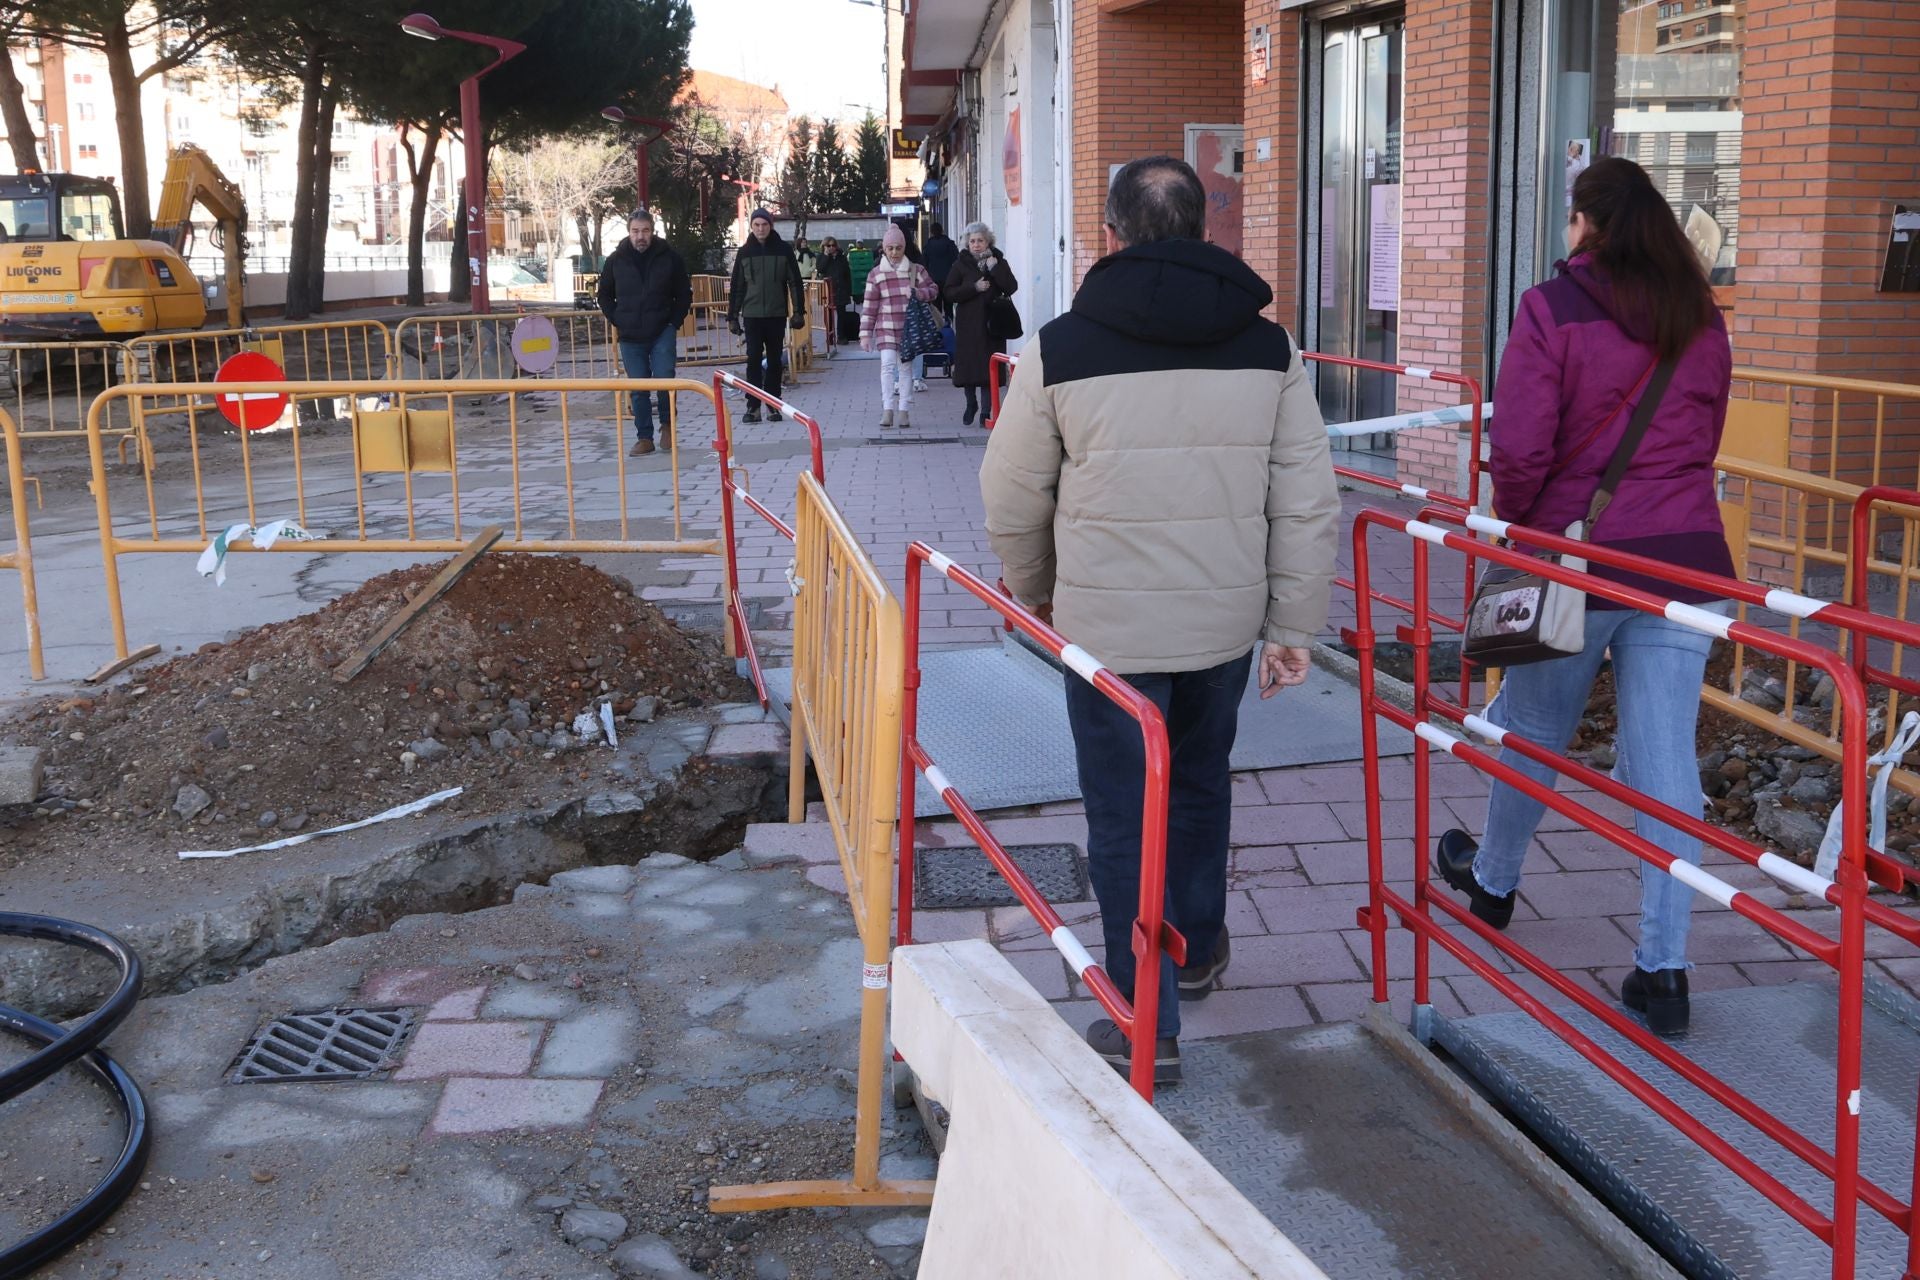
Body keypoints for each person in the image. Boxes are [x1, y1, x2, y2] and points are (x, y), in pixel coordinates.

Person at [979, 157, 1340, 1083]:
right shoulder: (1270, 348)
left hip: (1108, 631)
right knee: (1200, 784)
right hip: (1223, 624)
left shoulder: (1062, 346)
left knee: (1120, 808)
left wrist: (1037, 590)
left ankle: (1149, 1017)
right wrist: (1292, 625)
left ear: (1110, 233)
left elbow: (1012, 492)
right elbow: (1305, 499)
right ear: (1204, 229)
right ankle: (1204, 945)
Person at [1435, 155, 1734, 1039]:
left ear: (1587, 225)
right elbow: (1703, 436)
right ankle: (1664, 968)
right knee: (1666, 766)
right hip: (1684, 560)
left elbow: (1520, 445)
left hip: (1574, 552)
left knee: (1534, 727)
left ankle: (1492, 884)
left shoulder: (1551, 307)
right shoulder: (1698, 316)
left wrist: (1528, 529)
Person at [596, 208, 691, 457]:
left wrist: (673, 323)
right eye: (636, 231)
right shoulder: (616, 260)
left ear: (653, 231)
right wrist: (617, 319)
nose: (641, 236)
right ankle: (644, 437)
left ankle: (667, 425)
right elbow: (604, 295)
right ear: (629, 233)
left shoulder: (670, 258)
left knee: (664, 380)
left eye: (645, 231)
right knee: (638, 387)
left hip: (662, 331)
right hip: (630, 336)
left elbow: (684, 295)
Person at [727, 208, 806, 423]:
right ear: (751, 227)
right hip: (752, 315)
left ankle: (773, 405)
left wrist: (799, 311)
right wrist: (732, 316)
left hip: (776, 314)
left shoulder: (783, 250)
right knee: (753, 359)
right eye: (756, 225)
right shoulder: (744, 252)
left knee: (774, 360)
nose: (760, 229)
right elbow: (737, 286)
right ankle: (753, 406)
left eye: (764, 224)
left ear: (770, 226)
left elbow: (795, 282)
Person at [859, 224, 938, 429]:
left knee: (905, 369)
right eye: (890, 248)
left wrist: (920, 294)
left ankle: (904, 410)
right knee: (886, 367)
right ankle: (887, 409)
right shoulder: (876, 274)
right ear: (884, 249)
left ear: (904, 248)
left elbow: (934, 289)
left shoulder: (916, 270)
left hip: (909, 329)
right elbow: (869, 307)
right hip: (885, 328)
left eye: (898, 247)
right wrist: (865, 334)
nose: (894, 252)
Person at [943, 222, 1018, 428]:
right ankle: (971, 404)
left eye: (981, 241)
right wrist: (973, 287)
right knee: (968, 369)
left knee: (988, 371)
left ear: (988, 242)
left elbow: (1011, 287)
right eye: (973, 241)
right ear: (967, 243)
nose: (976, 245)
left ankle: (986, 411)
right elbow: (949, 292)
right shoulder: (960, 264)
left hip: (992, 325)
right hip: (968, 325)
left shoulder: (998, 261)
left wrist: (995, 269)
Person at [922, 221, 960, 299]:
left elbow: (924, 263)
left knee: (936, 306)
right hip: (948, 278)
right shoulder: (949, 244)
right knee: (948, 306)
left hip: (933, 279)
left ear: (931, 232)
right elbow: (956, 259)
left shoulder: (928, 246)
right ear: (942, 230)